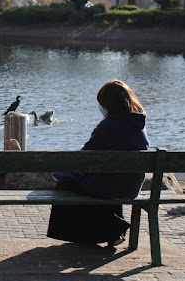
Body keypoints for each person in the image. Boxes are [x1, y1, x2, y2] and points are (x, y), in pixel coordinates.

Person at [47, 79, 149, 247]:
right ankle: (111, 231)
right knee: (104, 182)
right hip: (131, 186)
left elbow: (84, 158)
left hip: (106, 186)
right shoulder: (139, 125)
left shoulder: (107, 126)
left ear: (109, 104)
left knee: (64, 184)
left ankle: (106, 230)